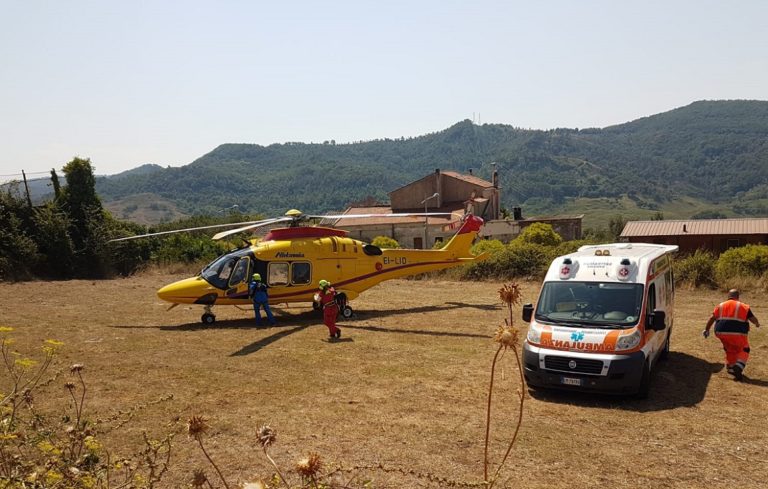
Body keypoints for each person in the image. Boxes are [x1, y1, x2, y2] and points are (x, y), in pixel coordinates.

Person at [703, 289, 760, 380]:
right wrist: (757, 324)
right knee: (745, 349)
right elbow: (753, 319)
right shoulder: (743, 306)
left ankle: (730, 368)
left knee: (730, 349)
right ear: (738, 297)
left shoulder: (720, 305)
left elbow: (712, 318)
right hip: (738, 333)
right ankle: (739, 366)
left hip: (720, 332)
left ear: (728, 296)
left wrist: (706, 329)